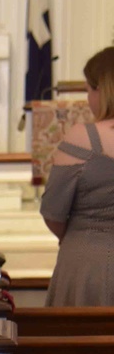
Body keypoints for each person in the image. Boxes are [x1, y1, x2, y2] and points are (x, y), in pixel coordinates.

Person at [41, 46, 114, 305]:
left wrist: (79, 236)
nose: (88, 99)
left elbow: (52, 212)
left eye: (89, 90)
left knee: (82, 342)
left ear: (101, 91)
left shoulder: (82, 138)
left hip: (88, 265)